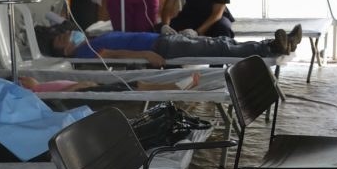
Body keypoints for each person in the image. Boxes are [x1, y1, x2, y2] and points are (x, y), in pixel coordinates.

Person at [37, 24, 302, 68]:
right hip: (162, 48)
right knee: (217, 49)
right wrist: (146, 55)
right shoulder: (83, 53)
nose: (69, 34)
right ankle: (271, 48)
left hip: (162, 40)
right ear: (64, 51)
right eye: (63, 39)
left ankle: (276, 43)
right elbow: (110, 54)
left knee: (218, 42)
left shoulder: (90, 38)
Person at [17, 73, 200, 93]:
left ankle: (176, 86)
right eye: (20, 81)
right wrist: (78, 87)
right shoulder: (36, 93)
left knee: (135, 84)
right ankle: (175, 87)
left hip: (86, 87)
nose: (22, 78)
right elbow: (59, 95)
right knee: (134, 87)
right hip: (82, 91)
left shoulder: (38, 86)